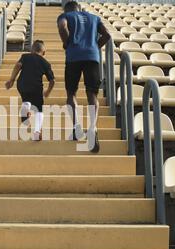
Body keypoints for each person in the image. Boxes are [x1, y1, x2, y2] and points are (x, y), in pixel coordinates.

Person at [57, 1, 111, 153]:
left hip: (73, 57)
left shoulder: (65, 15)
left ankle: (76, 128)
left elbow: (62, 26)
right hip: (92, 57)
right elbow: (107, 35)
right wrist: (94, 47)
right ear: (79, 8)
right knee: (92, 94)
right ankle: (93, 127)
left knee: (71, 93)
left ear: (66, 9)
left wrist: (67, 43)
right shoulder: (94, 17)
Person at [5, 40, 55, 141]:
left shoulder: (25, 56)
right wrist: (48, 91)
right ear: (44, 52)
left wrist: (11, 80)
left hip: (22, 84)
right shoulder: (45, 63)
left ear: (32, 49)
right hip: (36, 86)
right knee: (39, 110)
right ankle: (37, 131)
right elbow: (52, 81)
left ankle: (26, 105)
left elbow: (18, 66)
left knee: (26, 97)